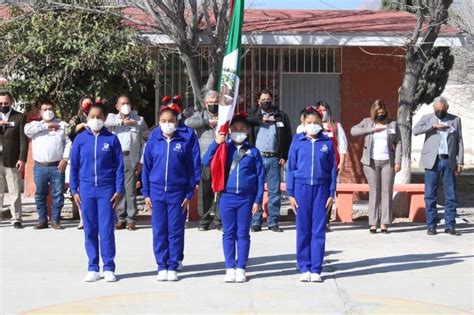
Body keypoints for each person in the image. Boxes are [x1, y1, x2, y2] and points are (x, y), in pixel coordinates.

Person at [202, 112, 264, 283]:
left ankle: (241, 267)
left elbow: (260, 177)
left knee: (243, 233)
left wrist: (258, 200)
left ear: (248, 131)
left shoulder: (253, 151)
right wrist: (216, 142)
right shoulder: (224, 148)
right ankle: (230, 267)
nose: (239, 131)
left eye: (242, 129)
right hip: (227, 197)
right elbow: (206, 161)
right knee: (228, 233)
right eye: (235, 129)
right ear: (229, 130)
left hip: (246, 198)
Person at [142, 104, 197, 282]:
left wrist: (189, 193)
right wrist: (146, 193)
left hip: (177, 193)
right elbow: (147, 168)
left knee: (175, 230)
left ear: (177, 121)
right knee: (159, 230)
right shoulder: (153, 140)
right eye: (164, 121)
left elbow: (190, 169)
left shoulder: (184, 141)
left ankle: (173, 264)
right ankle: (161, 265)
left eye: (171, 121)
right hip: (157, 192)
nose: (167, 124)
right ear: (159, 122)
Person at [70, 104, 124, 282]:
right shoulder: (80, 140)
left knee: (106, 229)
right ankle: (93, 266)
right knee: (90, 229)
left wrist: (119, 188)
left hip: (106, 189)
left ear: (105, 118)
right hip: (86, 189)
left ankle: (109, 267)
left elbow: (119, 168)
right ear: (87, 117)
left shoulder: (112, 139)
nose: (96, 120)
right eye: (92, 116)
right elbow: (75, 166)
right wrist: (73, 188)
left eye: (99, 116)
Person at [286, 107, 337, 282]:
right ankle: (304, 267)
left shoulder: (327, 143)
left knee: (318, 230)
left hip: (321, 190)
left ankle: (316, 268)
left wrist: (331, 192)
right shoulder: (297, 142)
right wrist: (290, 193)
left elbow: (331, 170)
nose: (313, 125)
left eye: (316, 122)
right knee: (303, 229)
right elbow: (291, 168)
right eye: (309, 123)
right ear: (303, 123)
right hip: (301, 189)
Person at [413, 96, 464, 236]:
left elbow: (459, 141)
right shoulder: (427, 117)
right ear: (433, 108)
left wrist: (460, 162)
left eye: (442, 110)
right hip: (432, 160)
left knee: (451, 194)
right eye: (437, 110)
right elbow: (415, 130)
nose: (439, 112)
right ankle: (431, 225)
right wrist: (433, 126)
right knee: (430, 194)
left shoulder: (455, 119)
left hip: (449, 161)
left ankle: (450, 225)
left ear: (446, 108)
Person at [350, 99, 401, 234]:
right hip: (370, 162)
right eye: (378, 113)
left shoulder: (392, 124)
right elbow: (353, 131)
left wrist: (398, 161)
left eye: (383, 112)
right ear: (374, 112)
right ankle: (373, 223)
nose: (381, 115)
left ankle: (384, 223)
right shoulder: (367, 122)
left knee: (386, 192)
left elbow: (399, 143)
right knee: (374, 192)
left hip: (387, 162)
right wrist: (371, 129)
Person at [247, 89, 292, 232]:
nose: (266, 102)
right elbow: (243, 119)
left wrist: (284, 156)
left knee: (274, 192)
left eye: (268, 99)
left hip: (274, 158)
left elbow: (288, 138)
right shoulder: (253, 115)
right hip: (257, 158)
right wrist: (260, 120)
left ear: (272, 100)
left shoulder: (281, 116)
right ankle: (256, 221)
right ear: (258, 101)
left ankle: (273, 222)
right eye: (263, 100)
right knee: (256, 190)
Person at [24, 100, 71, 230]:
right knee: (40, 194)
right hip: (40, 167)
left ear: (54, 110)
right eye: (45, 109)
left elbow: (68, 143)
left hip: (57, 166)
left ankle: (55, 220)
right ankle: (42, 220)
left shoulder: (61, 125)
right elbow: (26, 131)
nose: (48, 111)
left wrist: (65, 159)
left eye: (50, 109)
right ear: (40, 111)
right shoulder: (35, 125)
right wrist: (46, 126)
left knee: (58, 194)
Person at [105, 95, 147, 231]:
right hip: (115, 158)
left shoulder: (139, 120)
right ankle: (120, 218)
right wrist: (122, 123)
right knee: (119, 189)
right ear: (117, 107)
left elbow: (144, 141)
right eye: (122, 103)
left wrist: (141, 161)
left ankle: (131, 219)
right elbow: (105, 123)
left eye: (127, 103)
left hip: (131, 157)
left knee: (130, 190)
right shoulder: (112, 119)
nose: (125, 105)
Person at [185, 90, 222, 231]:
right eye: (211, 103)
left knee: (221, 190)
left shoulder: (224, 115)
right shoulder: (201, 115)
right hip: (204, 159)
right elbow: (188, 122)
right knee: (204, 192)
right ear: (206, 104)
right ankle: (204, 219)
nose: (213, 105)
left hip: (221, 159)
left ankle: (219, 219)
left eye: (216, 103)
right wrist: (207, 122)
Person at [315, 101, 348, 230]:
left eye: (324, 110)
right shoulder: (312, 125)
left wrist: (342, 163)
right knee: (318, 193)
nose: (322, 112)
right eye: (319, 110)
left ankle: (326, 221)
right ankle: (317, 221)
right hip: (317, 165)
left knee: (329, 193)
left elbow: (343, 146)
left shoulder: (335, 126)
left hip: (332, 164)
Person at [0, 91, 28, 229]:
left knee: (15, 191)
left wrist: (22, 158)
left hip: (12, 158)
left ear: (11, 102)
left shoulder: (19, 117)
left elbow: (23, 140)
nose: (3, 105)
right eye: (1, 103)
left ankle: (16, 218)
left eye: (6, 103)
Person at [66, 96, 94, 230]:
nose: (87, 106)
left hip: (94, 156)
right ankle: (83, 218)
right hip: (80, 155)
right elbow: (68, 131)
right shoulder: (76, 118)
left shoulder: (96, 116)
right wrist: (82, 125)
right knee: (79, 188)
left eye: (89, 104)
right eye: (85, 104)